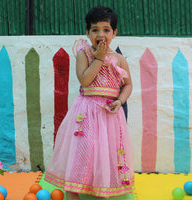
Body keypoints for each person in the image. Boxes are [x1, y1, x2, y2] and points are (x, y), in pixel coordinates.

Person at [44, 6, 134, 200]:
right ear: (87, 32)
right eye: (95, 30)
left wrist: (120, 100)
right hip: (85, 114)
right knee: (81, 153)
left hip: (109, 115)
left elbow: (128, 85)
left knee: (105, 154)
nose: (100, 34)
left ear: (114, 33)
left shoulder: (119, 59)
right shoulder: (83, 54)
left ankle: (101, 190)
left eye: (106, 30)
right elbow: (85, 80)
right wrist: (99, 58)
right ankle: (73, 193)